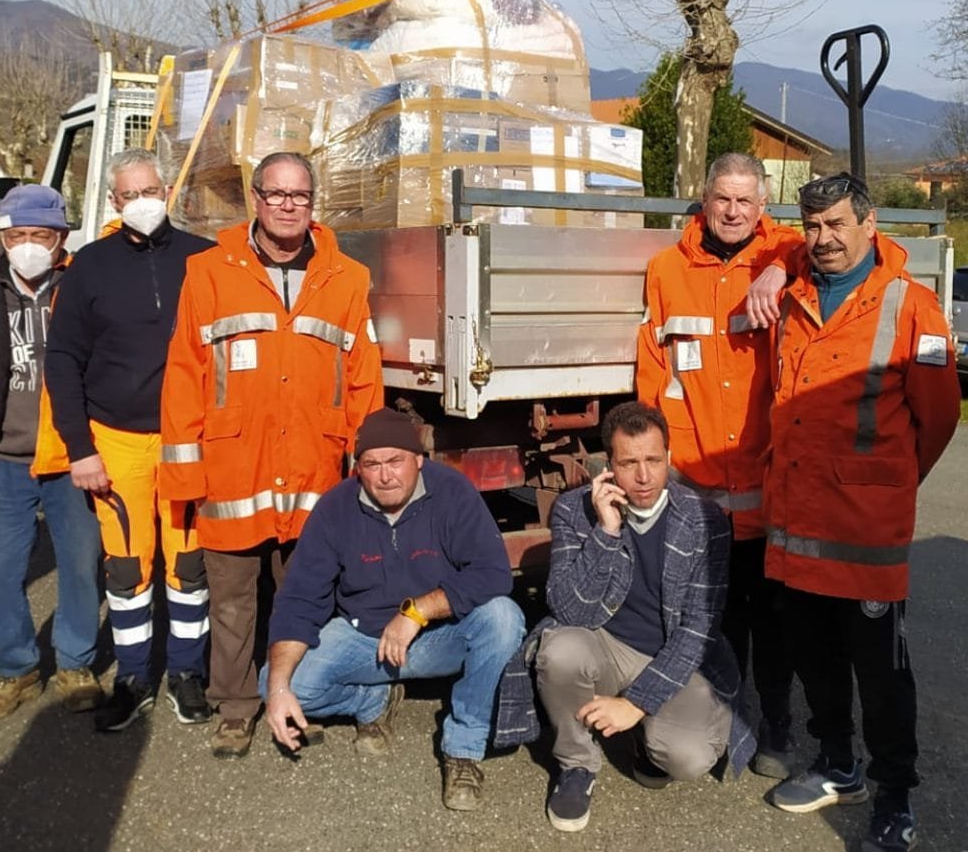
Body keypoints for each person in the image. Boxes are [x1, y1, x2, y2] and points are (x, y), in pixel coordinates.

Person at [160, 150, 384, 759]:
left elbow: (365, 380)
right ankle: (235, 707)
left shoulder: (348, 278)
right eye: (277, 194)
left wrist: (367, 467)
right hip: (234, 471)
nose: (288, 205)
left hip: (315, 469)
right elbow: (184, 373)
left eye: (300, 196)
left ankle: (309, 693)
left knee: (314, 593)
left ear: (314, 206)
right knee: (233, 601)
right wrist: (183, 473)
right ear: (255, 199)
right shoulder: (207, 273)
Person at [761, 172, 960, 852]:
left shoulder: (911, 305)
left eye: (836, 225)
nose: (822, 239)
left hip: (866, 531)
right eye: (811, 227)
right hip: (798, 525)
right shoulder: (794, 297)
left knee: (881, 673)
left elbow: (937, 418)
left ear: (869, 226)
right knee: (814, 658)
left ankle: (894, 793)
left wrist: (890, 480)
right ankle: (837, 765)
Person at [495, 400, 755, 833]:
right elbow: (569, 609)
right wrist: (607, 531)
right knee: (558, 649)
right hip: (607, 646)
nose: (644, 475)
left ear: (669, 458)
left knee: (685, 758)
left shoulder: (704, 519)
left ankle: (645, 736)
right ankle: (577, 765)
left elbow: (698, 629)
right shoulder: (574, 510)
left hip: (675, 655)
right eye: (629, 462)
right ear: (608, 464)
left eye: (653, 460)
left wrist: (636, 703)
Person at [261, 408, 524, 810]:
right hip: (364, 637)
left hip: (439, 635)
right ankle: (373, 701)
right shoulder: (335, 510)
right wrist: (280, 688)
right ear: (358, 469)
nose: (386, 475)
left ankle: (464, 750)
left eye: (396, 461)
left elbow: (493, 573)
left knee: (504, 617)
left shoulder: (452, 492)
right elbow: (300, 599)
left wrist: (416, 612)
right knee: (274, 684)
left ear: (419, 460)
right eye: (372, 464)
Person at [634, 151, 802, 777]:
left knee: (775, 621)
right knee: (704, 618)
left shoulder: (791, 255)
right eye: (722, 199)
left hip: (767, 483)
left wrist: (780, 267)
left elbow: (870, 246)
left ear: (764, 207)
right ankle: (713, 725)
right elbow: (652, 373)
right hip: (697, 482)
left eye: (745, 201)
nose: (733, 212)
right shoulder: (666, 270)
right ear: (703, 201)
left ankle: (779, 730)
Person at [44, 149, 215, 733]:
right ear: (113, 202)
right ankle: (135, 675)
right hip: (115, 439)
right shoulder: (89, 266)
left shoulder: (203, 258)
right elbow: (62, 360)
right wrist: (79, 448)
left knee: (188, 564)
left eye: (151, 190)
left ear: (167, 191)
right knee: (127, 567)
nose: (142, 202)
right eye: (129, 194)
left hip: (188, 438)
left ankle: (188, 672)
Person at [0, 185, 104, 721]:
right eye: (17, 235)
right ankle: (17, 670)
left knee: (80, 566)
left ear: (62, 238)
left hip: (69, 457)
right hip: (4, 462)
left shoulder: (83, 284)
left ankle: (75, 664)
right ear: (0, 238)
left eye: (41, 235)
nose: (28, 244)